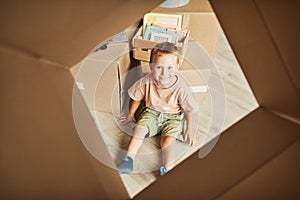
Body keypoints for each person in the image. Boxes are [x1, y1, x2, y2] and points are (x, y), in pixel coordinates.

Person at [117, 42, 199, 175]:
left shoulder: (181, 87)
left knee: (168, 141)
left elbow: (189, 109)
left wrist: (190, 129)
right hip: (151, 113)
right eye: (159, 67)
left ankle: (168, 168)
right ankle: (128, 160)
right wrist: (131, 114)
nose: (164, 73)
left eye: (170, 68)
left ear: (177, 67)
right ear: (151, 67)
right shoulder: (146, 81)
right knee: (138, 130)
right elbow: (137, 97)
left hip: (173, 117)